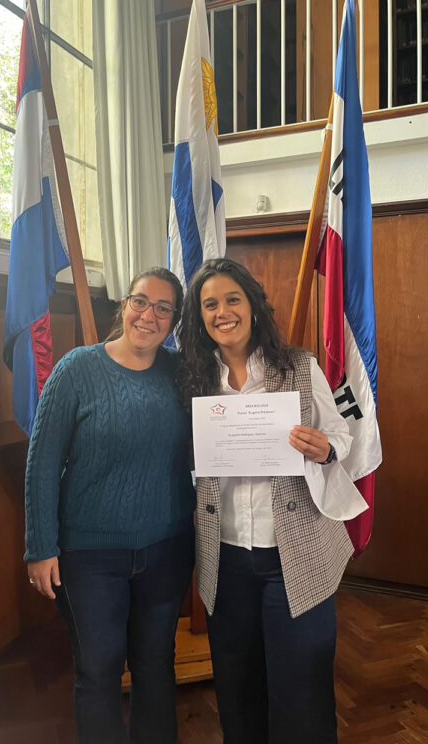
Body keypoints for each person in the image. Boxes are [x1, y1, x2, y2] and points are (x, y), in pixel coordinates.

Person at [176, 258, 368, 744]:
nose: (222, 312)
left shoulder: (299, 366)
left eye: (232, 299)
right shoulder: (193, 379)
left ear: (253, 306)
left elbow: (342, 436)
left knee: (302, 693)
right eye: (210, 304)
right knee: (237, 689)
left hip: (295, 555)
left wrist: (325, 448)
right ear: (200, 317)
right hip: (225, 558)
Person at [24, 266, 195, 744]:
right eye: (141, 301)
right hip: (89, 556)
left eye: (164, 308)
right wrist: (40, 546)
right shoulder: (76, 369)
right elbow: (42, 462)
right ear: (124, 305)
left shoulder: (182, 374)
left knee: (156, 665)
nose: (149, 315)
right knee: (98, 671)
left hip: (167, 549)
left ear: (174, 320)